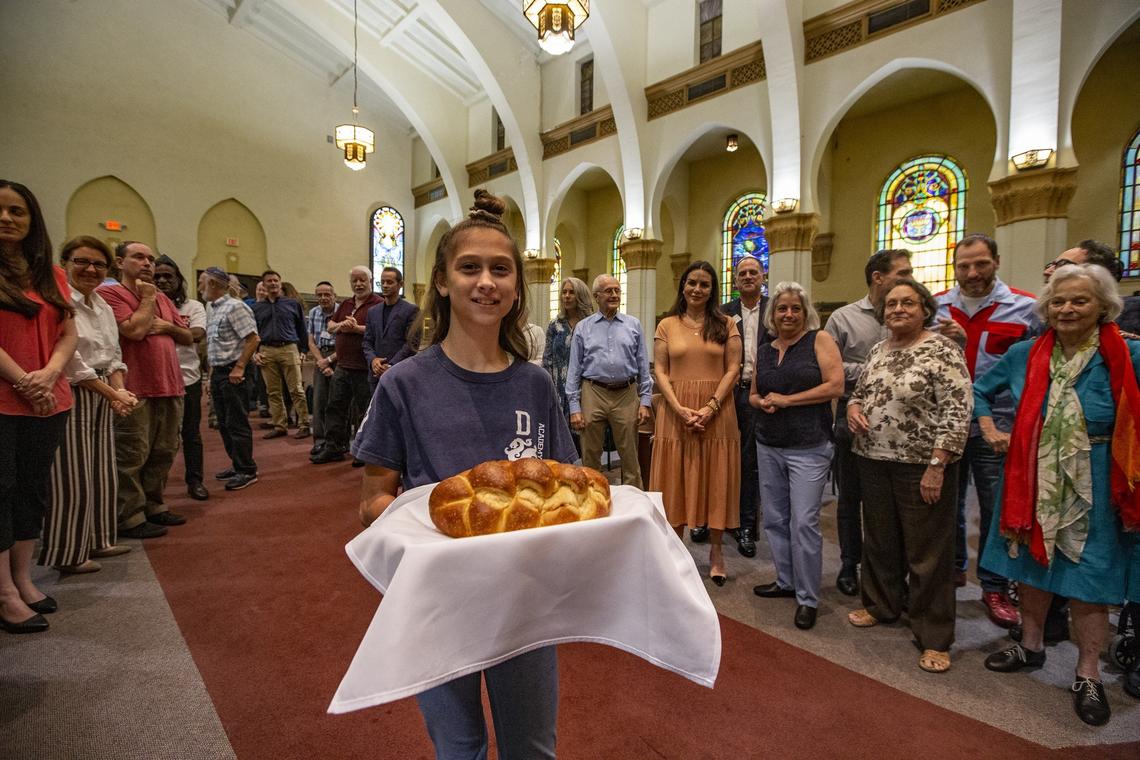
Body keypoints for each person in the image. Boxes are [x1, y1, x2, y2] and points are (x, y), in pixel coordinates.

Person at [354, 189, 576, 759]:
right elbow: (374, 501)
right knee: (459, 748)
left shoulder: (535, 385)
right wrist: (440, 530)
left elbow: (565, 487)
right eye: (469, 267)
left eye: (501, 269)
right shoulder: (403, 384)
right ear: (444, 283)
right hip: (441, 599)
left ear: (517, 288)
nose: (486, 282)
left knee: (532, 748)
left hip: (524, 597)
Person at [978, 264, 1139, 727]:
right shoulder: (1027, 353)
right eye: (1058, 302)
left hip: (1099, 480)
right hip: (1032, 474)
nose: (1067, 309)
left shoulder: (1127, 355)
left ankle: (1087, 673)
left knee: (1090, 579)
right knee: (1030, 568)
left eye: (1079, 301)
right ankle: (1030, 646)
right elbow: (979, 390)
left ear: (1104, 307)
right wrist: (990, 428)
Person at [845, 279, 972, 672]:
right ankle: (882, 605)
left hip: (922, 464)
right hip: (873, 458)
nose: (898, 309)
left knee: (928, 551)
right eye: (892, 304)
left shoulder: (942, 350)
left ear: (925, 309)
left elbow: (956, 410)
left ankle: (933, 635)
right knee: (881, 541)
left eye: (908, 303)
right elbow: (860, 393)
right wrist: (852, 407)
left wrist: (937, 465)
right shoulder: (879, 351)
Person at [935, 233, 1037, 628]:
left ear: (996, 261)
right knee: (948, 504)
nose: (972, 273)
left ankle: (994, 585)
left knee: (995, 509)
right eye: (964, 266)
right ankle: (955, 566)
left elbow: (1033, 370)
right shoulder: (939, 306)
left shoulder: (1025, 308)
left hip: (1000, 426)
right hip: (949, 421)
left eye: (980, 264)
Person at [0, 180, 77, 634]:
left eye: (17, 211)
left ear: (32, 221)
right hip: (6, 398)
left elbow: (67, 331)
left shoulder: (50, 273)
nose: (7, 218)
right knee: (1, 490)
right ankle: (4, 593)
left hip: (49, 398)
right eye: (1, 210)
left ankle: (23, 579)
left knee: (32, 489)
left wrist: (49, 373)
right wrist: (26, 380)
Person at [750, 281, 843, 629]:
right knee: (774, 517)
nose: (788, 314)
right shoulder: (765, 348)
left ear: (806, 313)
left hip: (809, 444)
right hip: (768, 441)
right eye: (781, 308)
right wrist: (761, 402)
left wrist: (788, 400)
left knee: (804, 521)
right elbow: (755, 394)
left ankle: (807, 597)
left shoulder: (819, 340)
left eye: (795, 308)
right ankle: (785, 580)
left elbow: (835, 386)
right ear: (773, 314)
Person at [41, 237, 137, 575]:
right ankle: (68, 551)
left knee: (101, 470)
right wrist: (111, 394)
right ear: (65, 263)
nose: (91, 269)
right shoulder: (59, 300)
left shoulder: (103, 306)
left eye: (98, 264)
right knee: (74, 475)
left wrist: (120, 392)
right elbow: (72, 361)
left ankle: (98, 539)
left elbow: (113, 355)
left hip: (104, 391)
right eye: (82, 261)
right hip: (74, 389)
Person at [824, 249, 913, 595]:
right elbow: (830, 366)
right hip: (852, 417)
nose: (909, 278)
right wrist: (878, 370)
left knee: (890, 502)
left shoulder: (911, 316)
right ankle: (849, 562)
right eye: (902, 273)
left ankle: (886, 573)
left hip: (902, 424)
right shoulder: (844, 319)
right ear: (879, 277)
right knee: (851, 497)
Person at [649, 261, 742, 586]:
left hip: (717, 411)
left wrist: (711, 406)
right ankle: (676, 550)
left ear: (712, 289)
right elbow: (660, 370)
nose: (697, 289)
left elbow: (733, 368)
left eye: (704, 284)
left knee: (715, 477)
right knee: (675, 477)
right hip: (676, 412)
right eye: (692, 283)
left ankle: (717, 552)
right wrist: (678, 407)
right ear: (683, 286)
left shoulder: (726, 323)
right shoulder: (667, 325)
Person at [98, 242, 191, 539]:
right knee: (131, 454)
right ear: (119, 263)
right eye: (139, 257)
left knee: (163, 452)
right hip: (134, 386)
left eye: (150, 258)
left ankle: (154, 505)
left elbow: (187, 336)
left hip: (170, 384)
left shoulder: (163, 298)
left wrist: (166, 327)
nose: (148, 263)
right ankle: (130, 515)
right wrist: (148, 298)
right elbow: (135, 330)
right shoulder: (110, 293)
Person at [565, 275, 652, 487]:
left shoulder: (633, 325)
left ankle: (634, 508)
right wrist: (574, 407)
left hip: (626, 393)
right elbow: (574, 370)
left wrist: (645, 401)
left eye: (617, 290)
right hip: (593, 391)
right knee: (590, 456)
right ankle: (593, 501)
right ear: (596, 297)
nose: (614, 295)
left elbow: (643, 365)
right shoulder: (584, 328)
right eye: (608, 291)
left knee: (630, 458)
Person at [720, 254, 770, 558]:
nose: (748, 277)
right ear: (735, 280)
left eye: (754, 272)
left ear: (762, 276)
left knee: (749, 462)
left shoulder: (774, 310)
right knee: (720, 456)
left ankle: (747, 525)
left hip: (759, 395)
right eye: (743, 274)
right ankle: (711, 518)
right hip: (728, 392)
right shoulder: (724, 313)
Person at [311, 266, 381, 464]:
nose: (358, 284)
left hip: (363, 367)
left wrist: (356, 328)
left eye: (362, 280)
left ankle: (362, 450)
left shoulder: (378, 304)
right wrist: (343, 325)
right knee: (335, 407)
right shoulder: (346, 304)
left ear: (370, 281)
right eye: (354, 281)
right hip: (343, 365)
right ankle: (334, 446)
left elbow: (378, 330)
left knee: (363, 411)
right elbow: (331, 326)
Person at [154, 255, 209, 501]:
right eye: (158, 277)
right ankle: (153, 491)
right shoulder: (145, 304)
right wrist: (181, 333)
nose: (163, 280)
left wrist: (166, 328)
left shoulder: (193, 306)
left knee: (190, 433)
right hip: (154, 380)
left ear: (179, 279)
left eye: (169, 276)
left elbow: (195, 335)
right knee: (157, 439)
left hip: (187, 378)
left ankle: (195, 480)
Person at [202, 267, 260, 491]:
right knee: (224, 423)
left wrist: (239, 367)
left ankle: (247, 470)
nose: (200, 287)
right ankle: (237, 464)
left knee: (236, 422)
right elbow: (213, 346)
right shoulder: (213, 308)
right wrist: (209, 377)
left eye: (203, 282)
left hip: (234, 372)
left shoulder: (235, 307)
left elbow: (253, 339)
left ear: (214, 284)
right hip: (219, 371)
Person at [251, 270, 310, 440]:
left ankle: (304, 424)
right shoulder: (256, 308)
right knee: (273, 392)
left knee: (296, 390)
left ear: (280, 282)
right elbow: (252, 333)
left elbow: (302, 329)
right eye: (269, 281)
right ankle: (279, 425)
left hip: (289, 348)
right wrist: (255, 352)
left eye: (276, 280)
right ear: (264, 284)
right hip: (266, 350)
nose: (273, 283)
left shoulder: (292, 304)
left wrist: (303, 350)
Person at [542, 277, 594, 452]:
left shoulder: (591, 325)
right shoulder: (555, 325)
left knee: (585, 440)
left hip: (585, 387)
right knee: (561, 439)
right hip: (558, 387)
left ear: (580, 295)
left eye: (571, 292)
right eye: (564, 292)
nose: (567, 296)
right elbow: (547, 359)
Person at [362, 266, 419, 388]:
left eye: (389, 282)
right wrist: (373, 360)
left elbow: (412, 343)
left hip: (400, 373)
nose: (385, 285)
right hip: (375, 374)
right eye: (382, 282)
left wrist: (391, 365)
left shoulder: (410, 310)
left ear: (400, 284)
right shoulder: (373, 311)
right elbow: (367, 341)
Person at [306, 280, 338, 458]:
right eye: (320, 295)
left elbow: (345, 342)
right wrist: (321, 361)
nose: (323, 298)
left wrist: (330, 360)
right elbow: (311, 341)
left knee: (337, 401)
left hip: (338, 356)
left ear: (334, 295)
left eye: (327, 294)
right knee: (319, 401)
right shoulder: (313, 312)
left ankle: (337, 440)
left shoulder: (342, 311)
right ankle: (319, 440)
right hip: (320, 357)